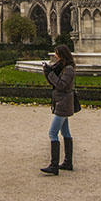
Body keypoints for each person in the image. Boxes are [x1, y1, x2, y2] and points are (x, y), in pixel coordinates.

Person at [41, 44, 76, 175]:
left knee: (52, 133)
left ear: (62, 55)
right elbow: (55, 83)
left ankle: (54, 165)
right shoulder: (63, 67)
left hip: (63, 104)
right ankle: (68, 162)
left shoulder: (69, 69)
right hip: (61, 102)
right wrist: (48, 72)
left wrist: (50, 74)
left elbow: (61, 85)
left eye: (56, 53)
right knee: (66, 132)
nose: (55, 56)